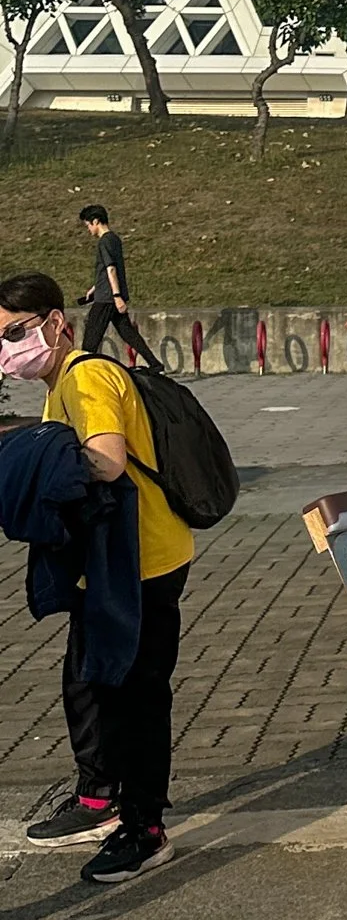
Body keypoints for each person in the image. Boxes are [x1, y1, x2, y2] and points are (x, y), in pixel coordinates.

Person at [4, 270, 193, 885]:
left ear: (56, 323)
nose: (8, 349)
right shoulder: (62, 380)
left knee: (133, 697)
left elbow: (107, 460)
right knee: (90, 680)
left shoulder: (86, 377)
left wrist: (35, 460)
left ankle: (145, 829)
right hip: (108, 566)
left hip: (140, 566)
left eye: (16, 332)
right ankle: (100, 798)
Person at [79, 205, 135, 364]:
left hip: (106, 298)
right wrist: (95, 287)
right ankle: (155, 364)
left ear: (96, 221)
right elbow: (108, 270)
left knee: (90, 338)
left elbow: (111, 269)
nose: (89, 229)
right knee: (128, 333)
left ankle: (84, 368)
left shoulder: (104, 242)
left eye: (88, 225)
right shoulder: (115, 239)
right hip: (107, 292)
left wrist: (116, 296)